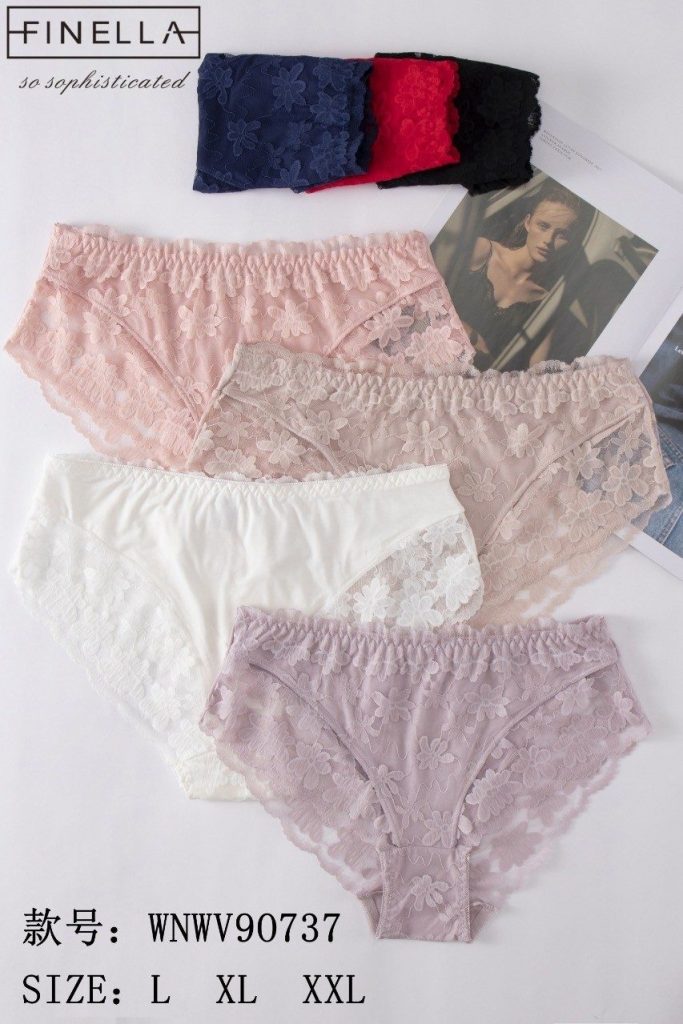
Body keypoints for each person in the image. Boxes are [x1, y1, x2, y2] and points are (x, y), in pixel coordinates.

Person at [451, 185, 581, 369]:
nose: (548, 240)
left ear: (571, 242)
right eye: (543, 226)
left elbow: (536, 371)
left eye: (562, 235)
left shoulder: (546, 304)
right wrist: (467, 332)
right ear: (528, 222)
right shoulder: (483, 251)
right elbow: (425, 289)